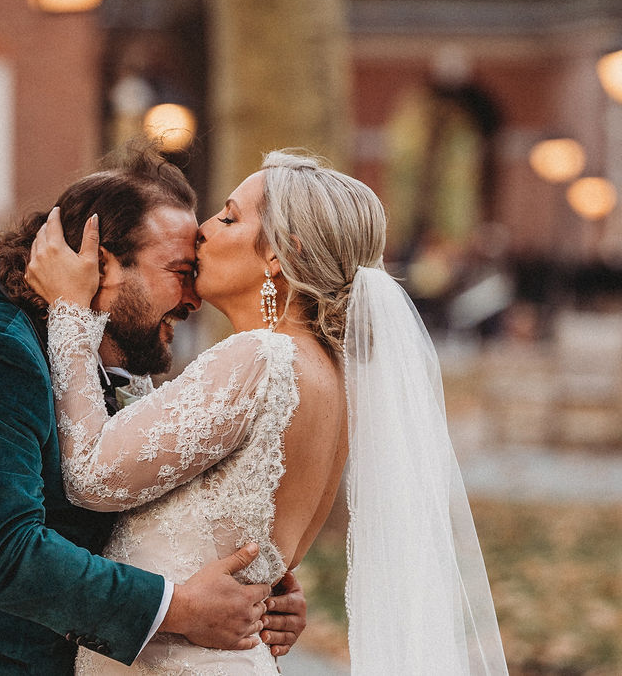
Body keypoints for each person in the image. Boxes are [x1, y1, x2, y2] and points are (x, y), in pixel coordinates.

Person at [0, 148, 306, 675]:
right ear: (98, 265)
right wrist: (182, 608)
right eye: (180, 271)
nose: (192, 298)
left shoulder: (74, 355)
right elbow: (6, 559)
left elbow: (121, 508)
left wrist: (252, 595)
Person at [26, 149, 509, 674]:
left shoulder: (261, 357)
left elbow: (92, 477)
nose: (204, 229)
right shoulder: (334, 379)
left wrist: (72, 311)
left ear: (280, 253)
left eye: (230, 216)